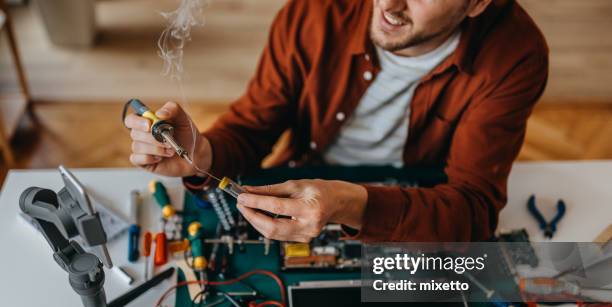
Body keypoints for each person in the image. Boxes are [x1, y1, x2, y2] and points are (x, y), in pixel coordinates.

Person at [124, 0, 548, 243]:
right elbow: (252, 127)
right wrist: (205, 151)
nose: (391, 6)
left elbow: (472, 212)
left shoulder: (515, 53)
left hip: (418, 204)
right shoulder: (316, 10)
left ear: (476, 3)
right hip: (310, 172)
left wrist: (348, 204)